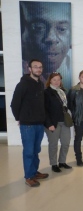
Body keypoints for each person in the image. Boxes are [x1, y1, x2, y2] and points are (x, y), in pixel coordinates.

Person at [11, 59, 49, 187]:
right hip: (27, 125)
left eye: (40, 67)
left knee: (36, 150)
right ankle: (28, 176)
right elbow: (14, 104)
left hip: (39, 123)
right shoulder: (23, 84)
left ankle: (34, 172)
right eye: (35, 67)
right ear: (29, 69)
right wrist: (19, 118)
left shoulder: (40, 84)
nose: (38, 69)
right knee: (28, 151)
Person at [20, 1, 72, 89]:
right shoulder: (23, 85)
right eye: (39, 28)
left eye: (62, 29)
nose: (51, 38)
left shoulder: (67, 76)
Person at [44, 72, 72, 172]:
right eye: (54, 79)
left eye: (58, 79)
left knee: (66, 143)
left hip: (64, 122)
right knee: (53, 145)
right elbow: (44, 110)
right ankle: (54, 164)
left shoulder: (63, 91)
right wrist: (49, 124)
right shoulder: (46, 92)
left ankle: (62, 162)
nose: (57, 82)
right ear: (50, 80)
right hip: (53, 123)